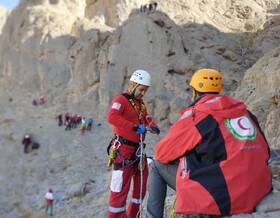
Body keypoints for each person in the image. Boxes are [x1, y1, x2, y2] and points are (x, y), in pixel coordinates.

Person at [146, 69, 272, 217]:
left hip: (223, 196)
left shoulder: (197, 115)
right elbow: (266, 151)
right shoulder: (244, 112)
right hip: (257, 190)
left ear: (194, 91)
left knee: (156, 165)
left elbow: (162, 153)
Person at [107, 69, 160, 218]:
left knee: (141, 184)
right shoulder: (120, 100)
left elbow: (146, 116)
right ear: (133, 84)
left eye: (145, 90)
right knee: (119, 188)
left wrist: (153, 125)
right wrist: (134, 127)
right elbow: (112, 117)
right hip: (123, 150)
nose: (143, 93)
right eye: (141, 89)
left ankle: (133, 215)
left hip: (137, 151)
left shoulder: (140, 104)